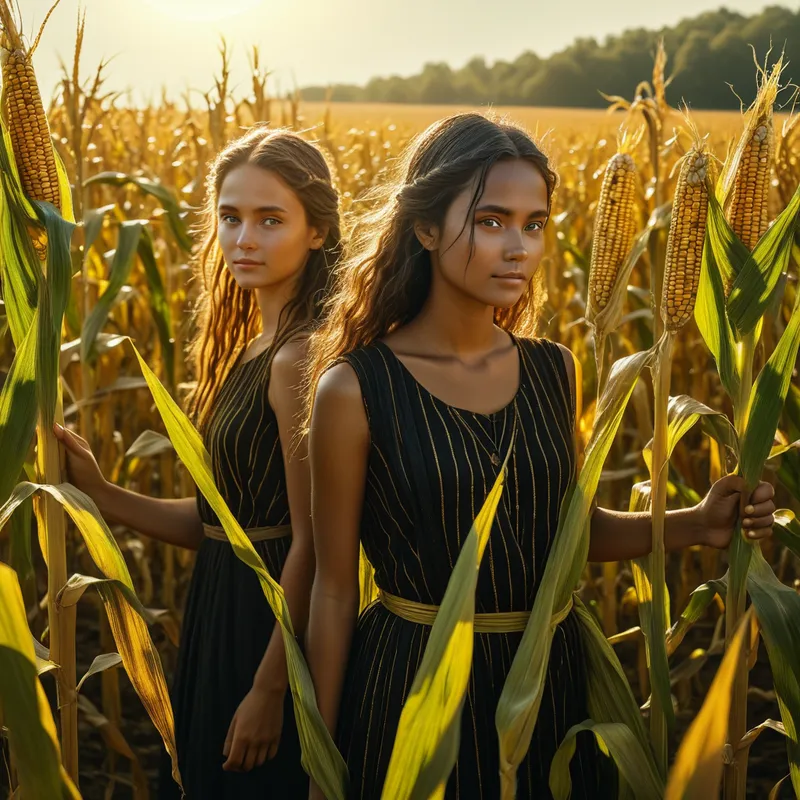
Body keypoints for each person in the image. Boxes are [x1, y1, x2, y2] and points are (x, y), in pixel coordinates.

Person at [303, 112, 776, 799]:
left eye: (535, 224)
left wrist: (696, 523)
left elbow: (562, 537)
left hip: (549, 685)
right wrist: (321, 762)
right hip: (414, 687)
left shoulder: (555, 371)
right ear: (426, 228)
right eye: (491, 222)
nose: (518, 247)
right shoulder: (354, 387)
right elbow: (334, 586)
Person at [53, 126, 342, 799]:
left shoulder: (299, 359)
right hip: (220, 602)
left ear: (318, 232)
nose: (244, 237)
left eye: (271, 219)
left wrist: (270, 689)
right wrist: (101, 492)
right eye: (230, 216)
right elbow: (222, 523)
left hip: (268, 626)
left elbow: (314, 545)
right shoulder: (252, 348)